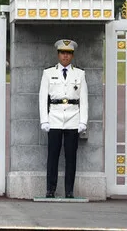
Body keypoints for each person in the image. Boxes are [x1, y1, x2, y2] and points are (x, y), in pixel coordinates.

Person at [39, 39, 88, 199]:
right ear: (58, 54)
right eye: (62, 53)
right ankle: (50, 189)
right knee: (52, 155)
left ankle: (69, 190)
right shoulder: (48, 73)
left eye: (68, 53)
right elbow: (42, 98)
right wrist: (44, 120)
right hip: (54, 117)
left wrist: (83, 121)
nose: (65, 56)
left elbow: (84, 99)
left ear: (72, 56)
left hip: (73, 118)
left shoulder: (79, 74)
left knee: (71, 157)